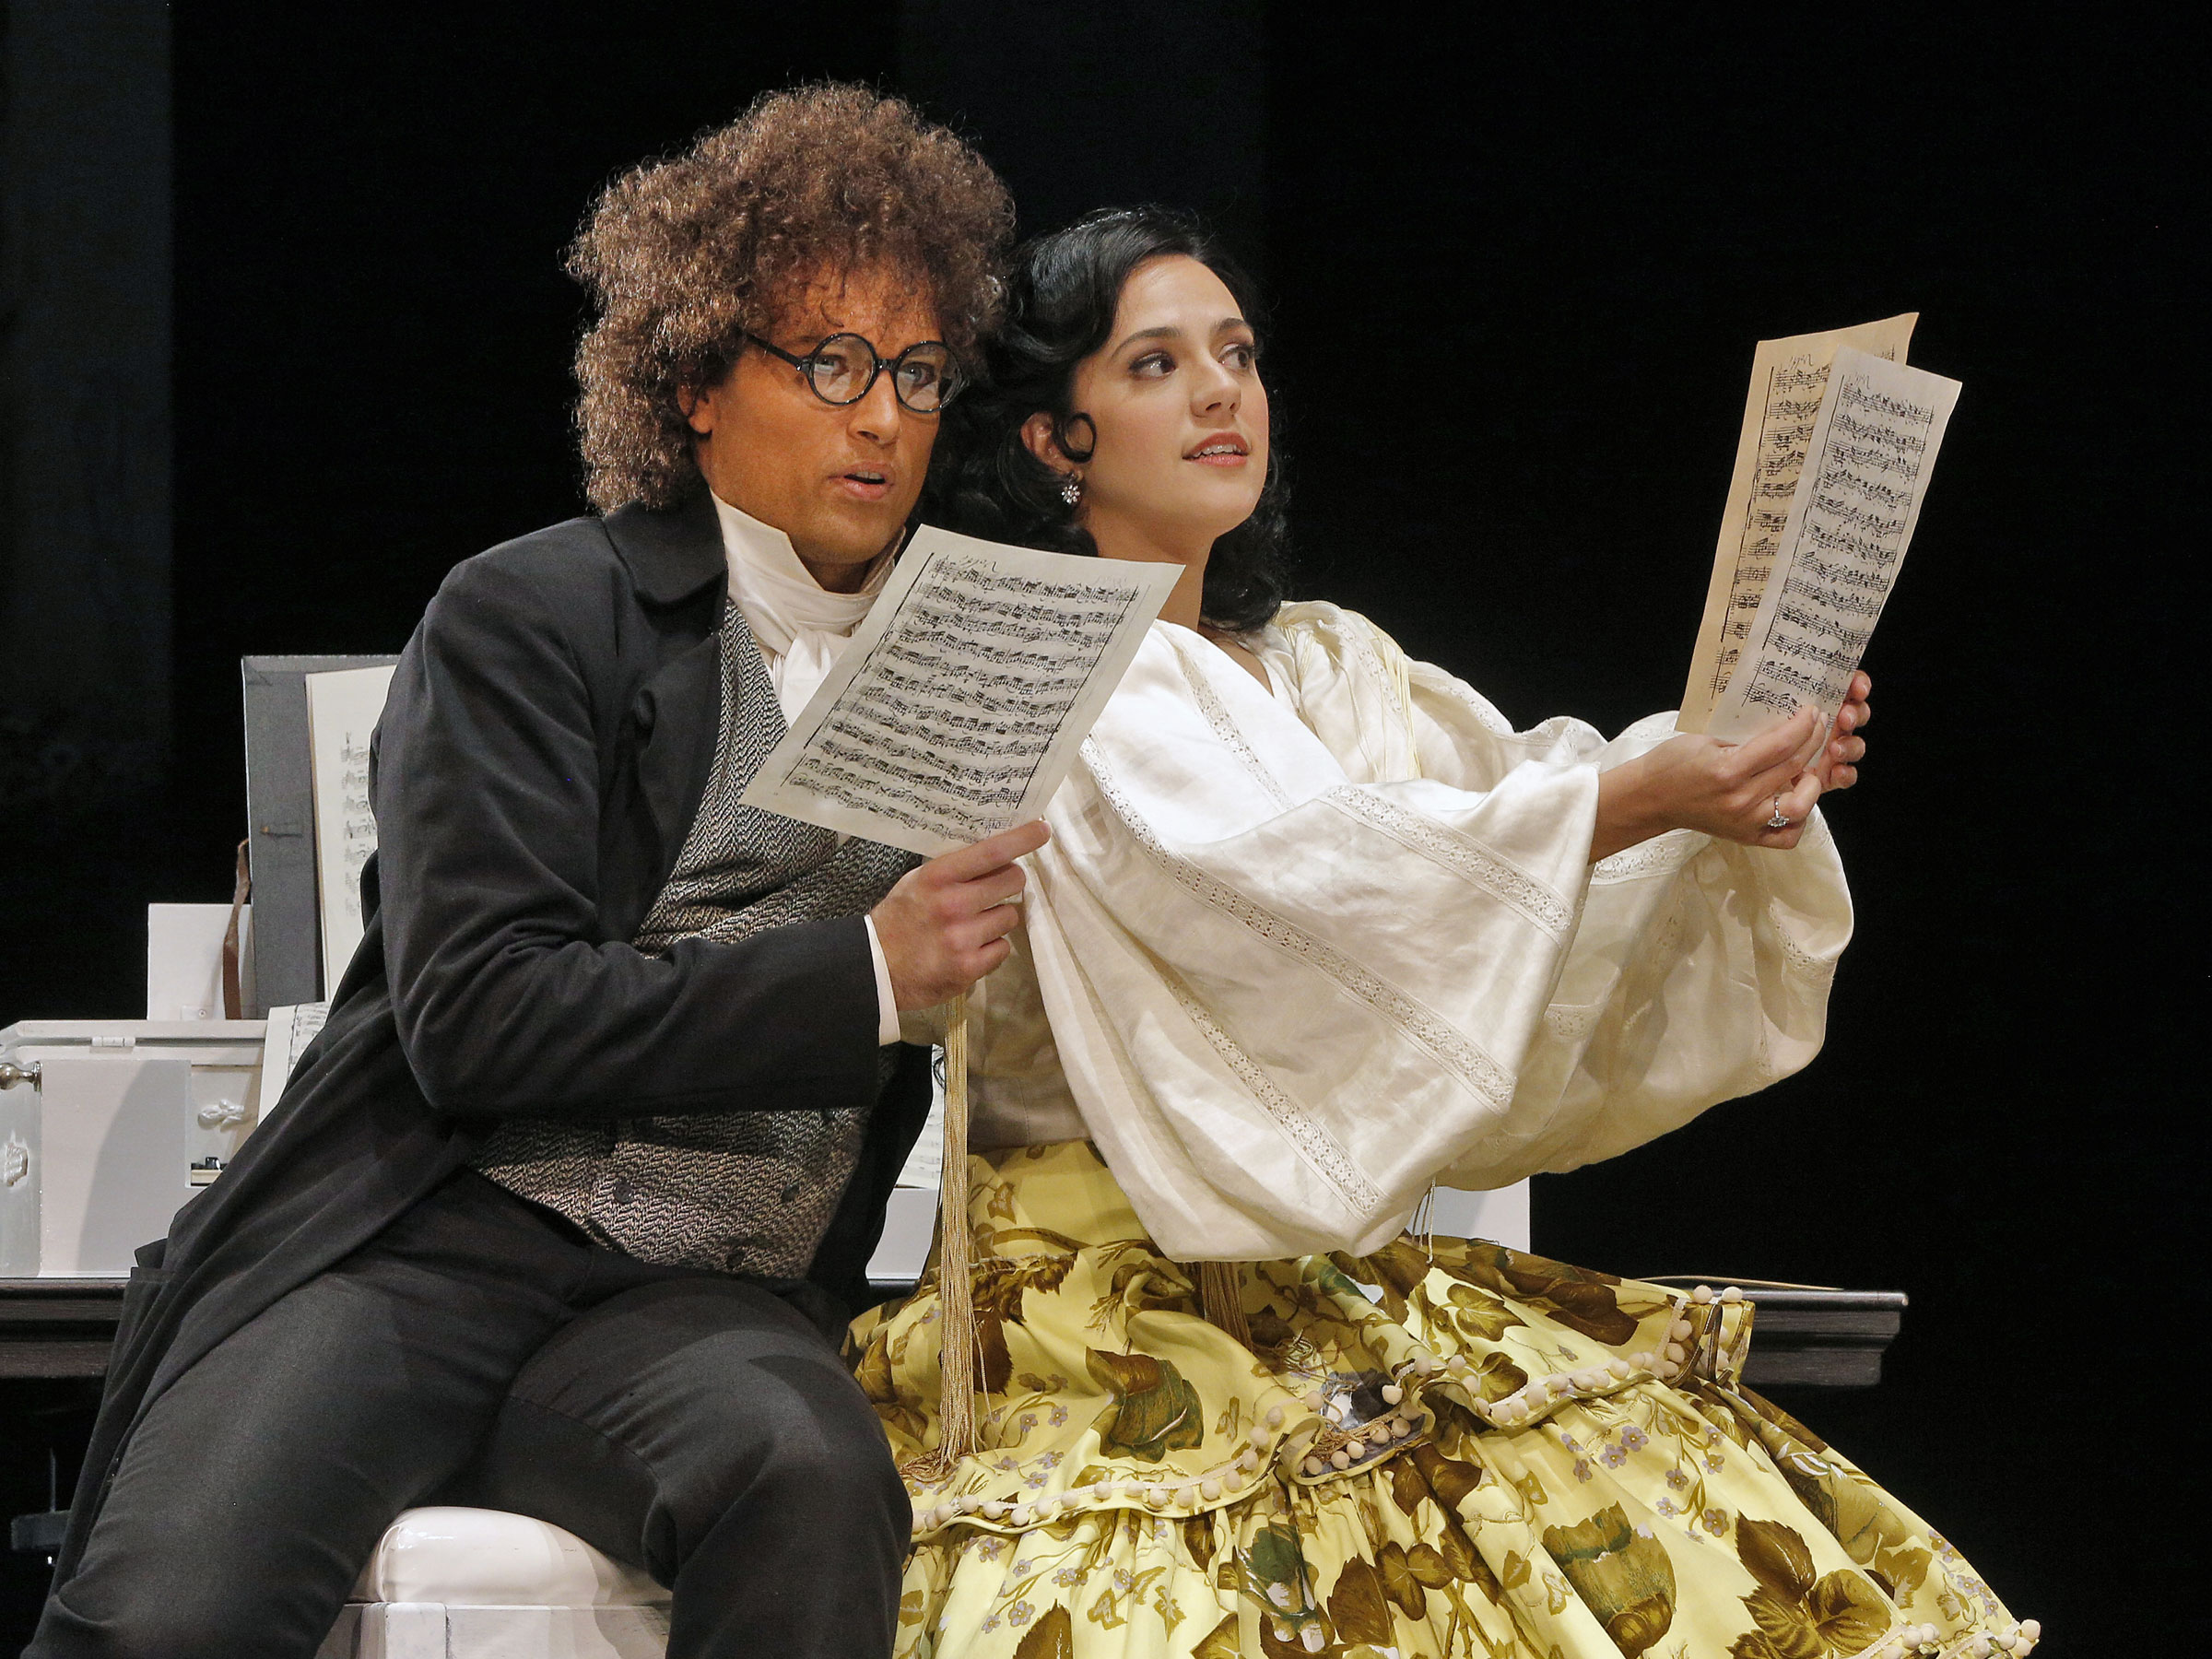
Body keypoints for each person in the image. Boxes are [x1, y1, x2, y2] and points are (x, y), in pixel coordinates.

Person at [850, 208, 2035, 1659]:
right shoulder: (1041, 672)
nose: (1222, 391)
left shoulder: (1329, 664)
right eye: (1156, 365)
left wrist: (1712, 782)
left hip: (1320, 1293)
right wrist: (1638, 797)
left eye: (1237, 354)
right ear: (1053, 439)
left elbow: (1498, 828)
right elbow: (1316, 884)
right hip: (1095, 1304)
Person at [32, 85, 1040, 1659]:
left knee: (809, 1472)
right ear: (699, 382)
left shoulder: (959, 648)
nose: (883, 417)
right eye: (828, 362)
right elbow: (481, 1013)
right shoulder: (537, 615)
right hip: (429, 1244)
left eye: (916, 373)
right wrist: (862, 979)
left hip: (702, 1307)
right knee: (169, 1619)